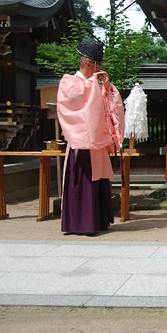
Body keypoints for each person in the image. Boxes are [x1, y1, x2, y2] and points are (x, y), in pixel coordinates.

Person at [57, 39, 125, 235]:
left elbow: (109, 104)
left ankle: (98, 221)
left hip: (98, 144)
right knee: (82, 183)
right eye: (98, 65)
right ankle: (79, 224)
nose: (100, 68)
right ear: (88, 64)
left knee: (98, 183)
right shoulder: (68, 82)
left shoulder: (94, 83)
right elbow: (73, 102)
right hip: (81, 144)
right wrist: (92, 84)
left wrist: (107, 87)